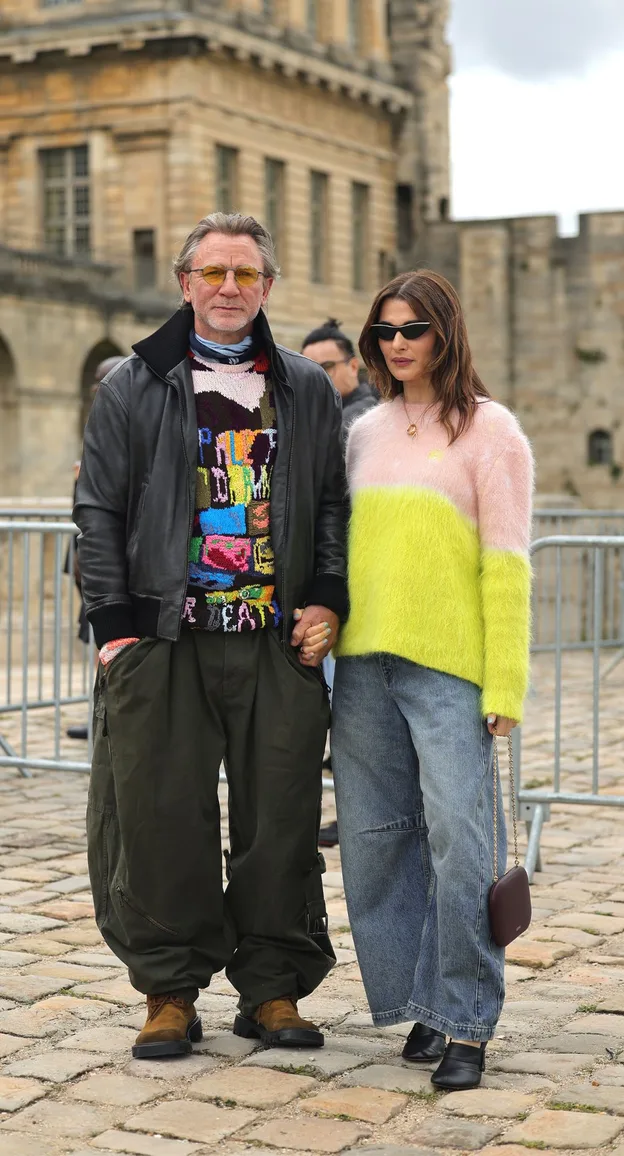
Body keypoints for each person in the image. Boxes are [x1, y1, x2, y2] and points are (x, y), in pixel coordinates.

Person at [74, 212, 348, 1060]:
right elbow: (98, 509)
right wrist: (116, 631)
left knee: (280, 821)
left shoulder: (304, 386)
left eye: (247, 275)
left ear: (268, 287)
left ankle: (271, 988)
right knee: (160, 819)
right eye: (214, 272)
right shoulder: (132, 382)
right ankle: (168, 989)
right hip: (166, 639)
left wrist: (326, 598)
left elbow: (334, 507)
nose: (230, 288)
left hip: (273, 641)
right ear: (184, 282)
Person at [331, 270, 534, 1091]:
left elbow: (507, 566)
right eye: (384, 332)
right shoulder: (365, 431)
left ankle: (468, 1022)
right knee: (378, 844)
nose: (398, 343)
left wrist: (504, 686)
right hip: (363, 666)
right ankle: (423, 1001)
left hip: (450, 669)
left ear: (445, 332)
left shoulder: (492, 432)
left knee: (461, 846)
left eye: (413, 328)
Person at [302, 320, 378, 847]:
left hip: (359, 587)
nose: (321, 377)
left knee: (356, 724)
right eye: (312, 369)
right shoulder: (325, 413)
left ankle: (362, 818)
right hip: (332, 585)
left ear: (353, 365)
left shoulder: (365, 421)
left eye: (328, 366)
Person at [66, 355, 124, 742]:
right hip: (91, 555)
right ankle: (98, 716)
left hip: (114, 566)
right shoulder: (98, 423)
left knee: (110, 648)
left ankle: (108, 719)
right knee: (95, 644)